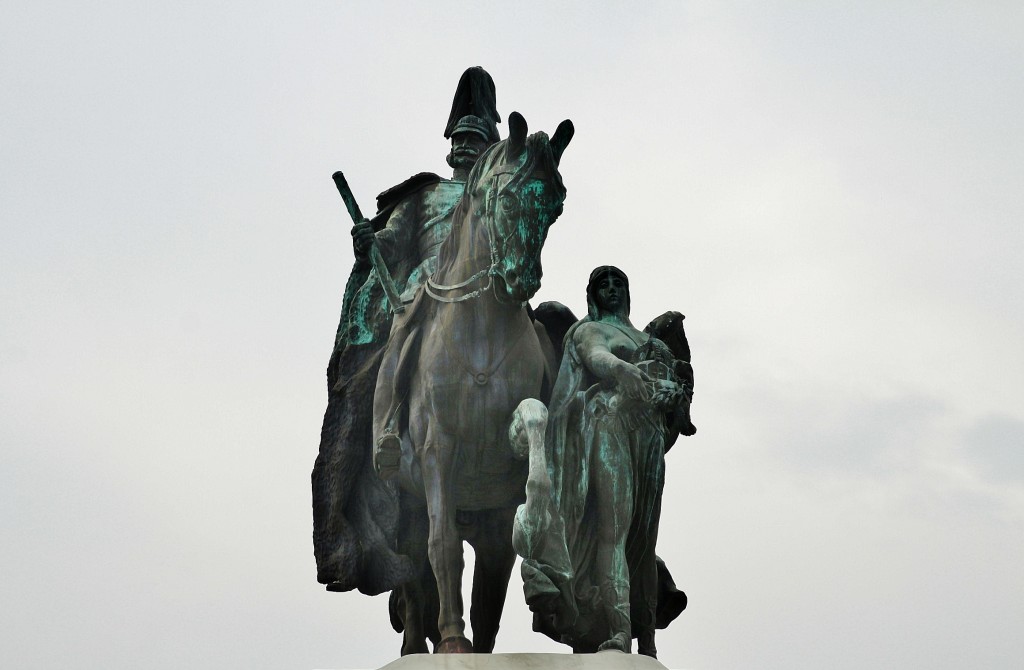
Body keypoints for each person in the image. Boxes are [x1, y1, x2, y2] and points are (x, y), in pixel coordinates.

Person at [311, 68, 500, 594]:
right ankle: (388, 431)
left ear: (489, 147)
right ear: (450, 147)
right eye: (459, 139)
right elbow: (392, 246)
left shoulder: (500, 194)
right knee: (383, 360)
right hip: (425, 292)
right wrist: (369, 241)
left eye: (475, 140)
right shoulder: (425, 196)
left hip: (491, 295)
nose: (465, 148)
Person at [514, 266, 691, 657]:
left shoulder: (650, 341)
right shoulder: (588, 331)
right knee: (614, 527)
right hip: (608, 425)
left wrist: (674, 394)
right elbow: (597, 358)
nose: (611, 289)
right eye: (603, 284)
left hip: (648, 438)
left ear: (628, 291)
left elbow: (676, 397)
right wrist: (622, 369)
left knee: (643, 543)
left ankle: (648, 644)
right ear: (592, 295)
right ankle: (618, 629)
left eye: (618, 283)